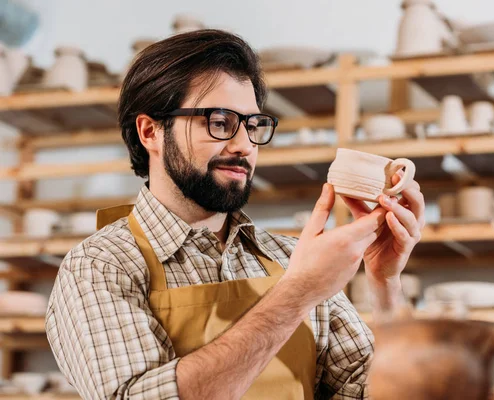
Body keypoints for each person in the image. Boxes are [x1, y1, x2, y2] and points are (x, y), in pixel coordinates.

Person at [46, 29, 425, 400]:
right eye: (218, 122)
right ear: (151, 132)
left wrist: (385, 286)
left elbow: (374, 390)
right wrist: (296, 295)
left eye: (253, 124)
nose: (244, 145)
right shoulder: (101, 265)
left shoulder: (291, 258)